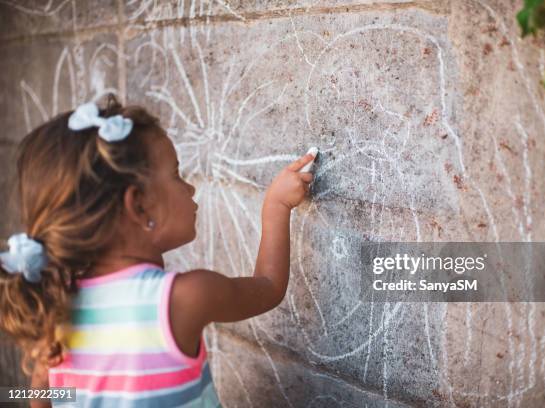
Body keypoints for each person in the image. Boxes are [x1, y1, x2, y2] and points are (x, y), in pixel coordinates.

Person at [0, 95, 315, 407]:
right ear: (138, 205)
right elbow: (269, 287)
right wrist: (276, 206)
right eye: (176, 174)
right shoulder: (182, 298)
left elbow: (40, 397)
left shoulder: (56, 307)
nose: (190, 188)